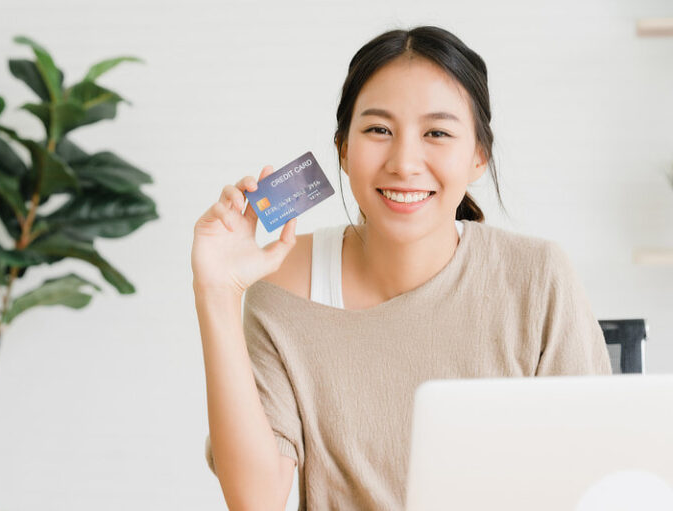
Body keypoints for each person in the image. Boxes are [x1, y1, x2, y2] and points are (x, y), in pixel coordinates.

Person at [191, 25, 612, 511]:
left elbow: (591, 478)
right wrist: (218, 293)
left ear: (478, 155)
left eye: (437, 133)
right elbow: (255, 501)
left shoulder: (536, 276)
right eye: (378, 130)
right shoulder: (284, 284)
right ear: (343, 150)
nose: (405, 162)